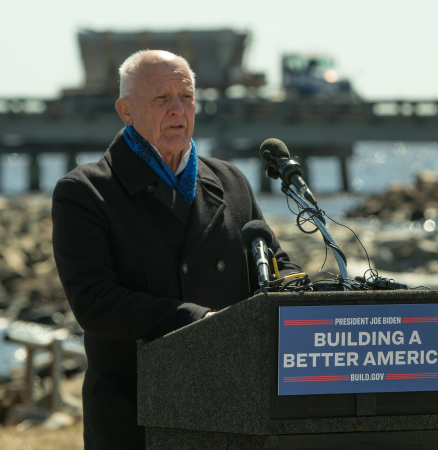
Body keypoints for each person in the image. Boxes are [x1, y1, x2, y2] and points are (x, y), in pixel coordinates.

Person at [52, 50, 299, 450]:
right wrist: (201, 322)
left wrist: (306, 294)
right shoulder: (86, 192)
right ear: (125, 111)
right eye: (161, 99)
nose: (177, 109)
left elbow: (271, 263)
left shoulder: (231, 180)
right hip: (135, 412)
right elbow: (95, 303)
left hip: (230, 403)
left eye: (186, 97)